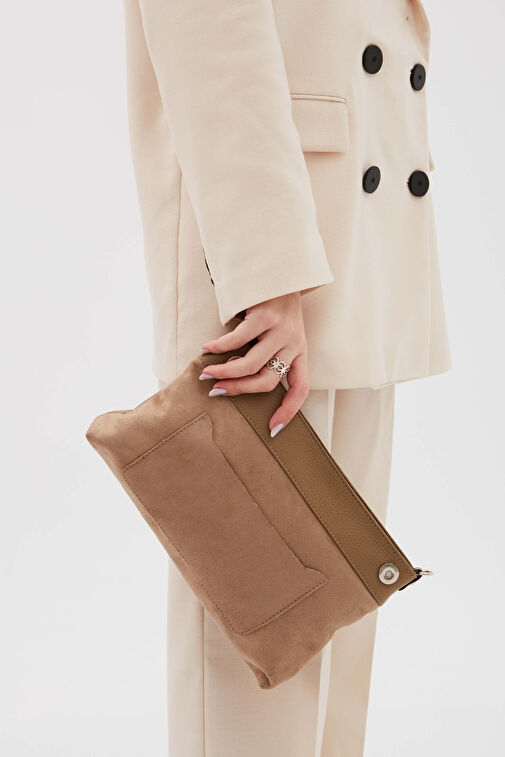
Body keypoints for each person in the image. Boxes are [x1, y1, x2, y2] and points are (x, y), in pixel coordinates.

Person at [123, 0, 451, 754]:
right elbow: (208, 28)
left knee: (335, 627)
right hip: (266, 259)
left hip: (350, 233)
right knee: (263, 651)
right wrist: (265, 272)